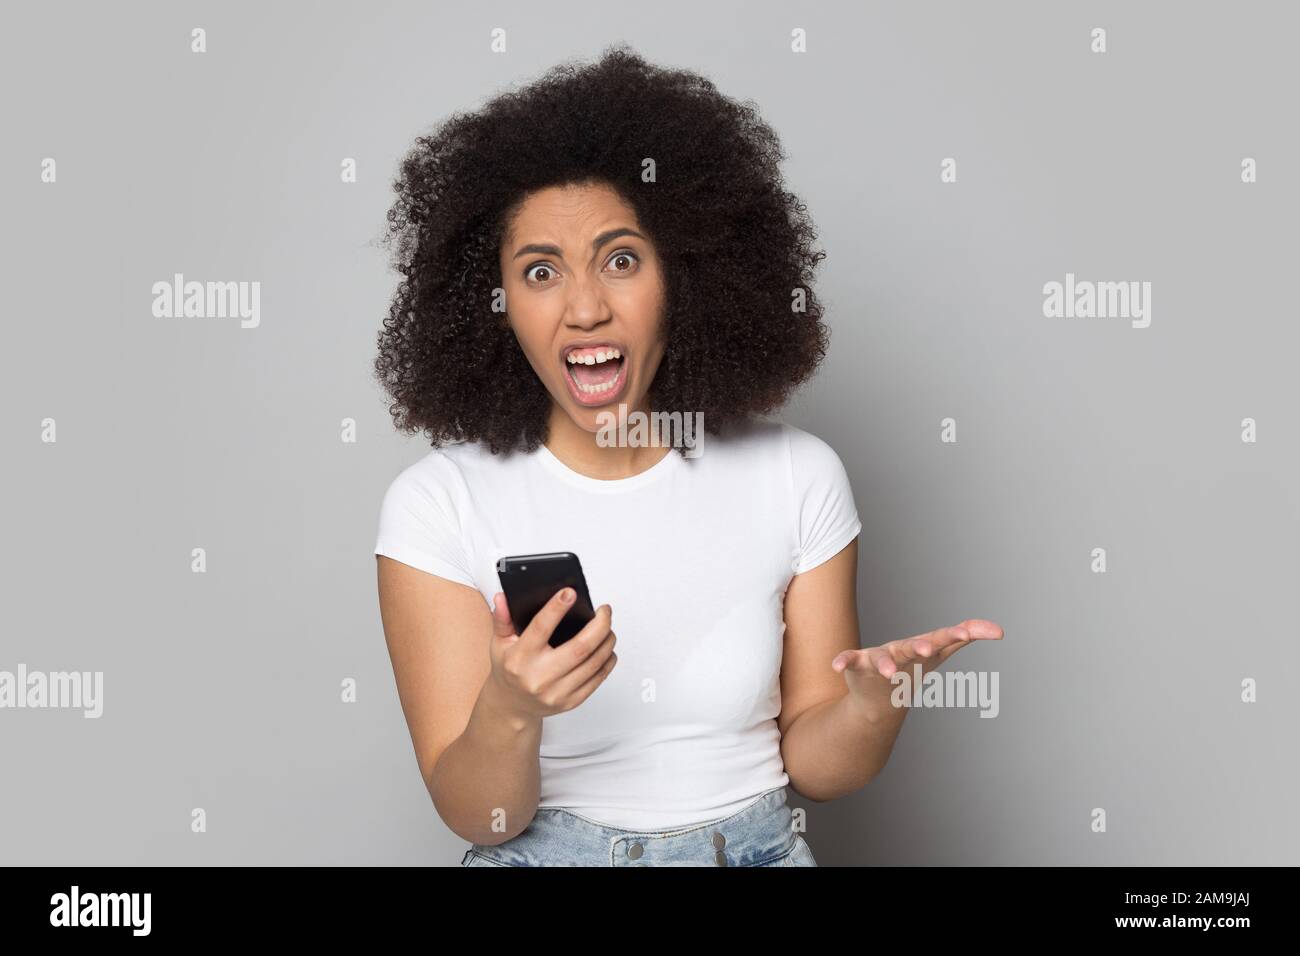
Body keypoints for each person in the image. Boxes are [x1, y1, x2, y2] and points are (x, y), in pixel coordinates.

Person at [372, 44, 1002, 867]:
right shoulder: (437, 504)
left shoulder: (796, 476)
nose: (586, 308)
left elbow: (818, 767)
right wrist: (511, 708)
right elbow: (480, 817)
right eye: (539, 272)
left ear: (689, 279)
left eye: (621, 260)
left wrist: (875, 705)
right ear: (497, 310)